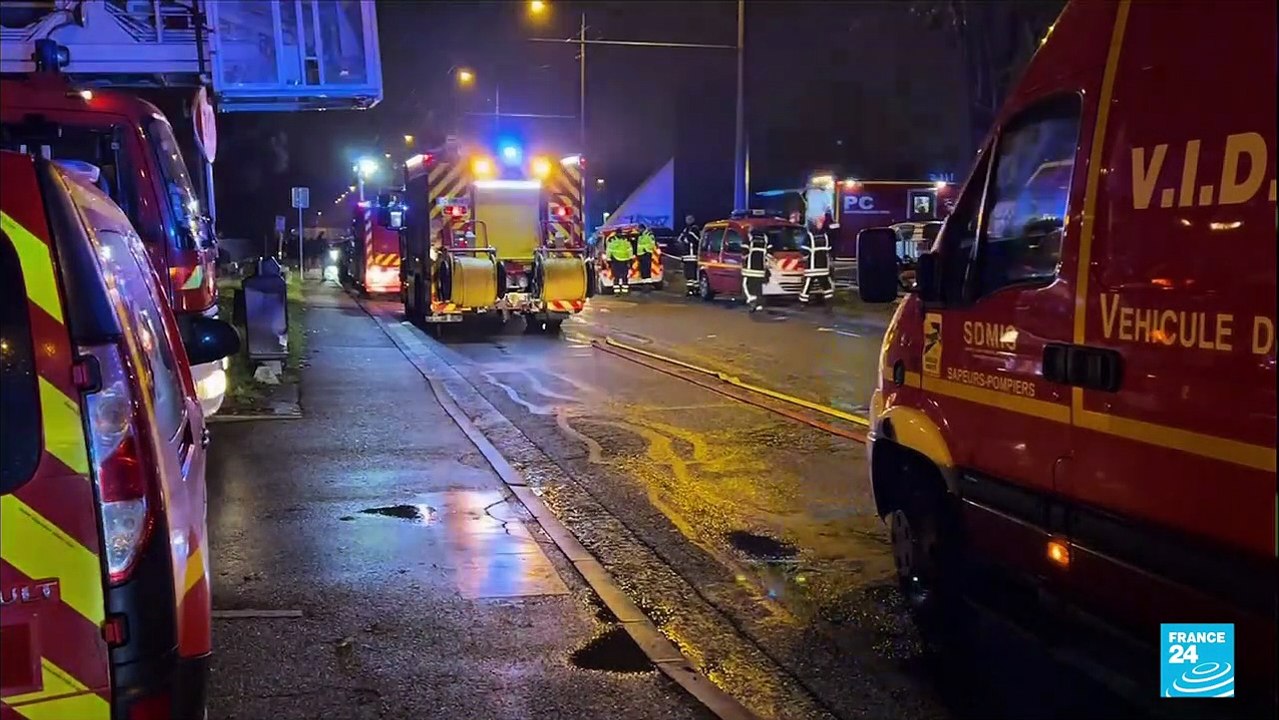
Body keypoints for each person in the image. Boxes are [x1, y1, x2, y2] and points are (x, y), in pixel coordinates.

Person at [800, 228, 834, 304]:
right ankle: (829, 303)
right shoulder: (826, 236)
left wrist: (804, 259)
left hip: (812, 268)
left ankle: (803, 303)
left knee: (807, 286)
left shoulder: (809, 236)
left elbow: (804, 250)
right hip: (823, 267)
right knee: (826, 285)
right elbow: (831, 249)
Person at [741, 232, 768, 312]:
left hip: (750, 268)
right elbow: (769, 252)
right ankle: (759, 305)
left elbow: (744, 252)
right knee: (758, 287)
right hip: (760, 269)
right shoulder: (765, 237)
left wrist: (744, 258)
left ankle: (751, 299)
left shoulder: (749, 237)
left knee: (745, 284)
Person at [678, 214, 701, 295]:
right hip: (686, 255)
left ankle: (695, 290)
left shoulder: (695, 229)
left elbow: (696, 239)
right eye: (687, 219)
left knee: (693, 273)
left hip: (693, 255)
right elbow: (680, 239)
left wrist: (688, 237)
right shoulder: (686, 229)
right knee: (688, 274)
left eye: (689, 219)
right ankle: (690, 289)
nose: (687, 221)